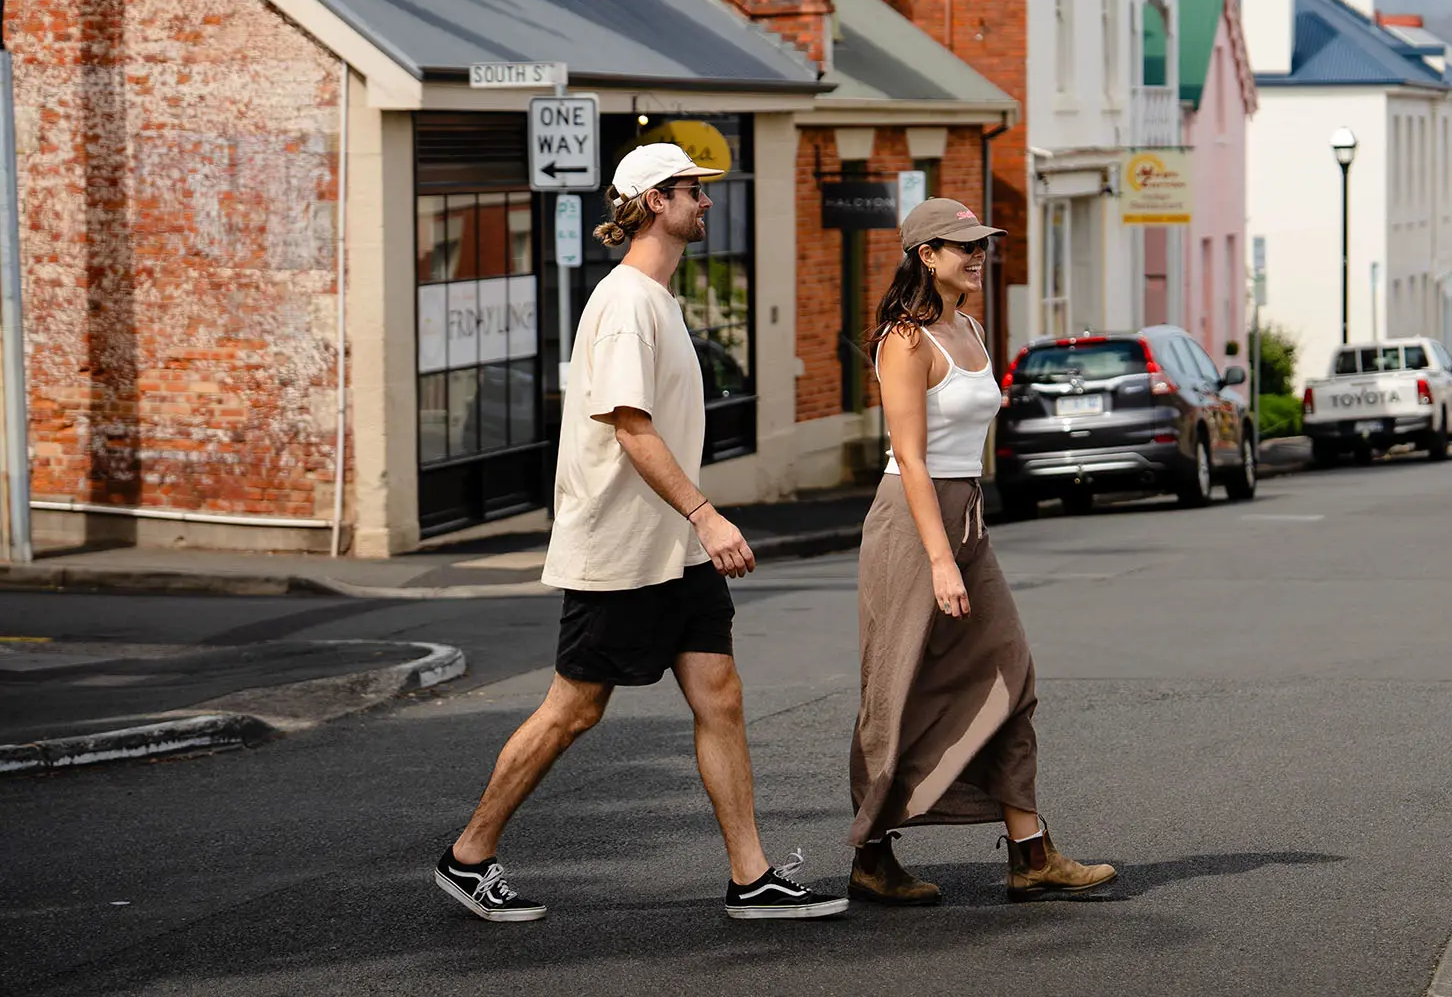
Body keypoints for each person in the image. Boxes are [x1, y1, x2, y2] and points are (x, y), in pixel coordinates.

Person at [434, 143, 846, 923]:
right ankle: (468, 855)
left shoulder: (655, 299)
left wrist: (692, 528)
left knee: (718, 694)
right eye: (694, 190)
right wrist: (705, 512)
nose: (707, 203)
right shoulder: (626, 303)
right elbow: (630, 428)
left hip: (673, 549)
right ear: (657, 200)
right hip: (622, 546)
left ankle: (751, 876)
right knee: (574, 709)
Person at [846, 198, 1118, 905]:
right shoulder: (905, 341)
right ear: (925, 256)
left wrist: (963, 540)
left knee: (1009, 676)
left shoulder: (967, 325)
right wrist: (940, 559)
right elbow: (909, 459)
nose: (977, 256)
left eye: (981, 245)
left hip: (965, 518)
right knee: (896, 689)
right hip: (913, 527)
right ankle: (872, 855)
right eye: (961, 246)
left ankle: (1031, 854)